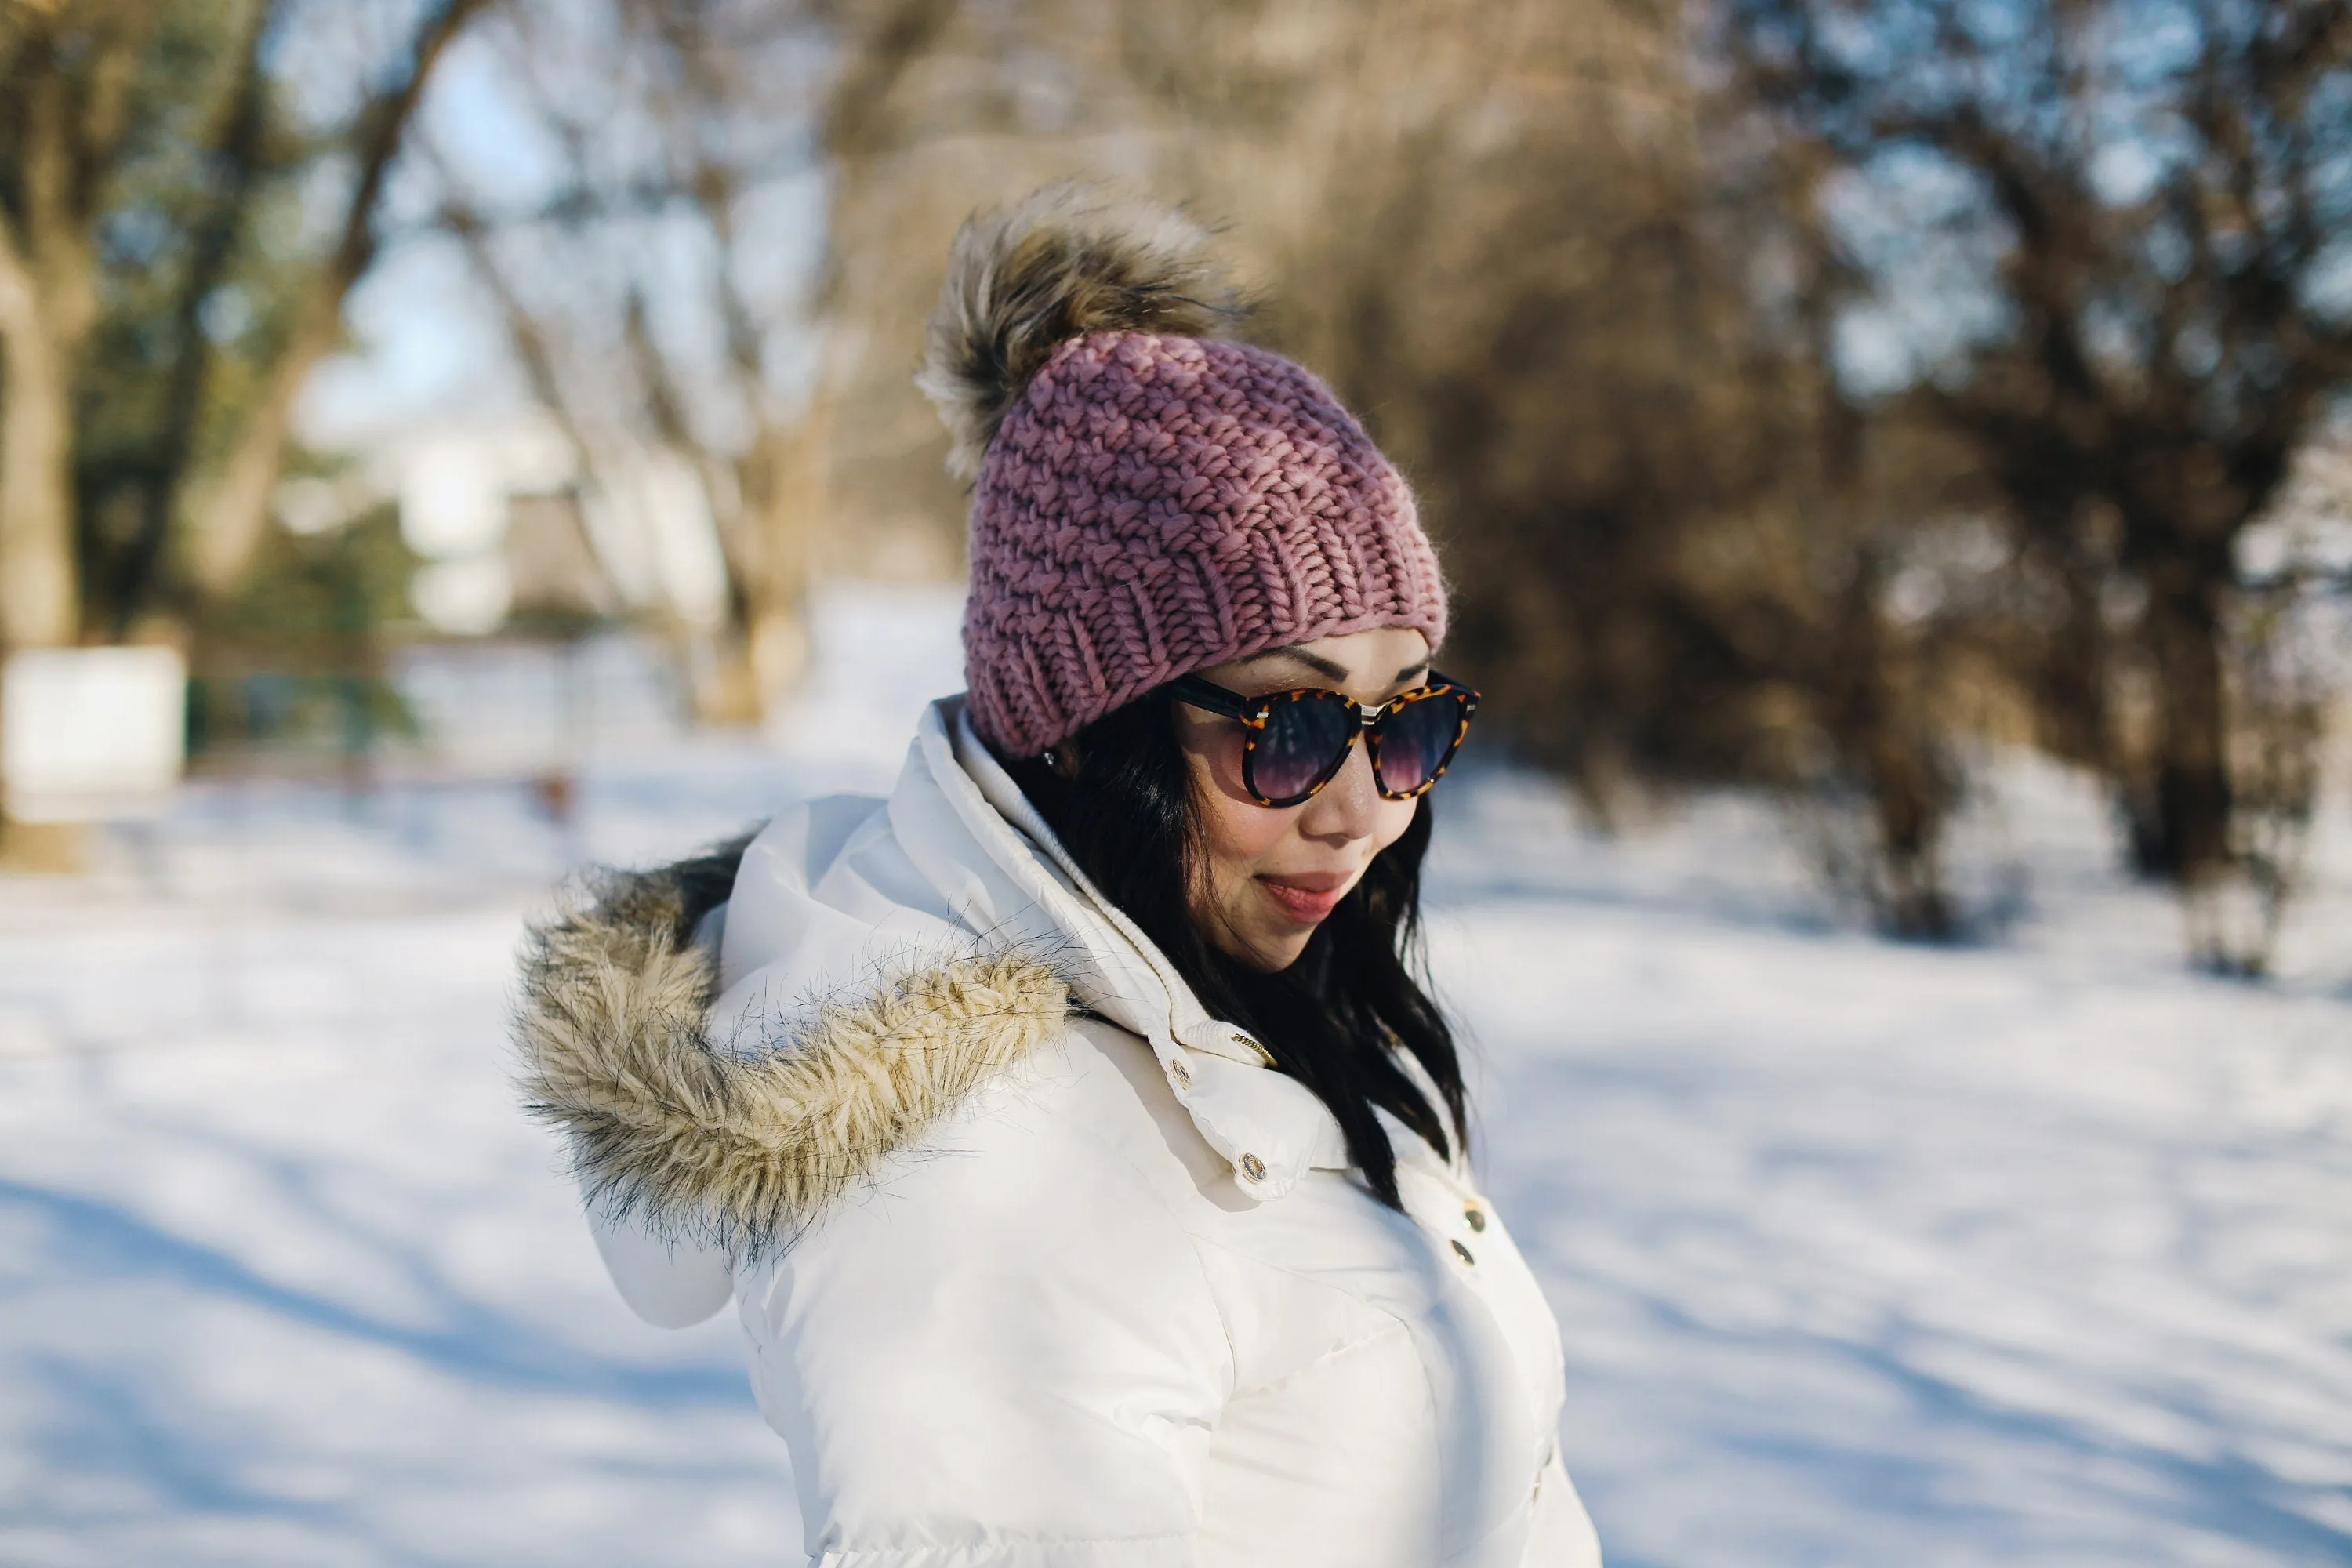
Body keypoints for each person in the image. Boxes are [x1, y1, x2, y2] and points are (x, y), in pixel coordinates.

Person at [514, 186, 1603, 1568]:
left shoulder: (1232, 1011)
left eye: (1409, 721)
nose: (1362, 812)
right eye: (1296, 725)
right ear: (1090, 734)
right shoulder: (987, 1175)